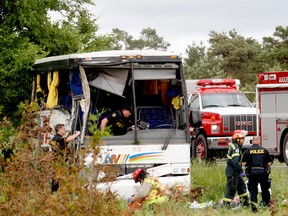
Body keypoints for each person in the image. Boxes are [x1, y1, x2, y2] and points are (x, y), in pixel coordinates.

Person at [242, 136, 273, 212]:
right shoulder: (264, 150)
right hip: (263, 173)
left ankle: (254, 209)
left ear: (252, 142)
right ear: (259, 142)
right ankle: (267, 207)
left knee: (253, 191)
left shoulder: (248, 151)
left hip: (252, 173)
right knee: (265, 190)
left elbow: (243, 163)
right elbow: (269, 163)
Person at [49, 124, 81, 193]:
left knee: (56, 178)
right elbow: (67, 139)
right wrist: (77, 134)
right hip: (60, 162)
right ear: (59, 129)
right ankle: (56, 193)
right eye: (63, 129)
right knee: (59, 178)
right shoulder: (58, 138)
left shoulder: (54, 139)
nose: (65, 130)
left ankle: (54, 193)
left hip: (56, 161)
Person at [223, 130, 249, 208]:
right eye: (242, 138)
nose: (244, 140)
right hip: (233, 172)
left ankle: (245, 203)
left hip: (235, 172)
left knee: (242, 187)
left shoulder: (236, 146)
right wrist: (241, 171)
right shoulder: (236, 148)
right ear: (237, 139)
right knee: (231, 189)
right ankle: (226, 206)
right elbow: (235, 162)